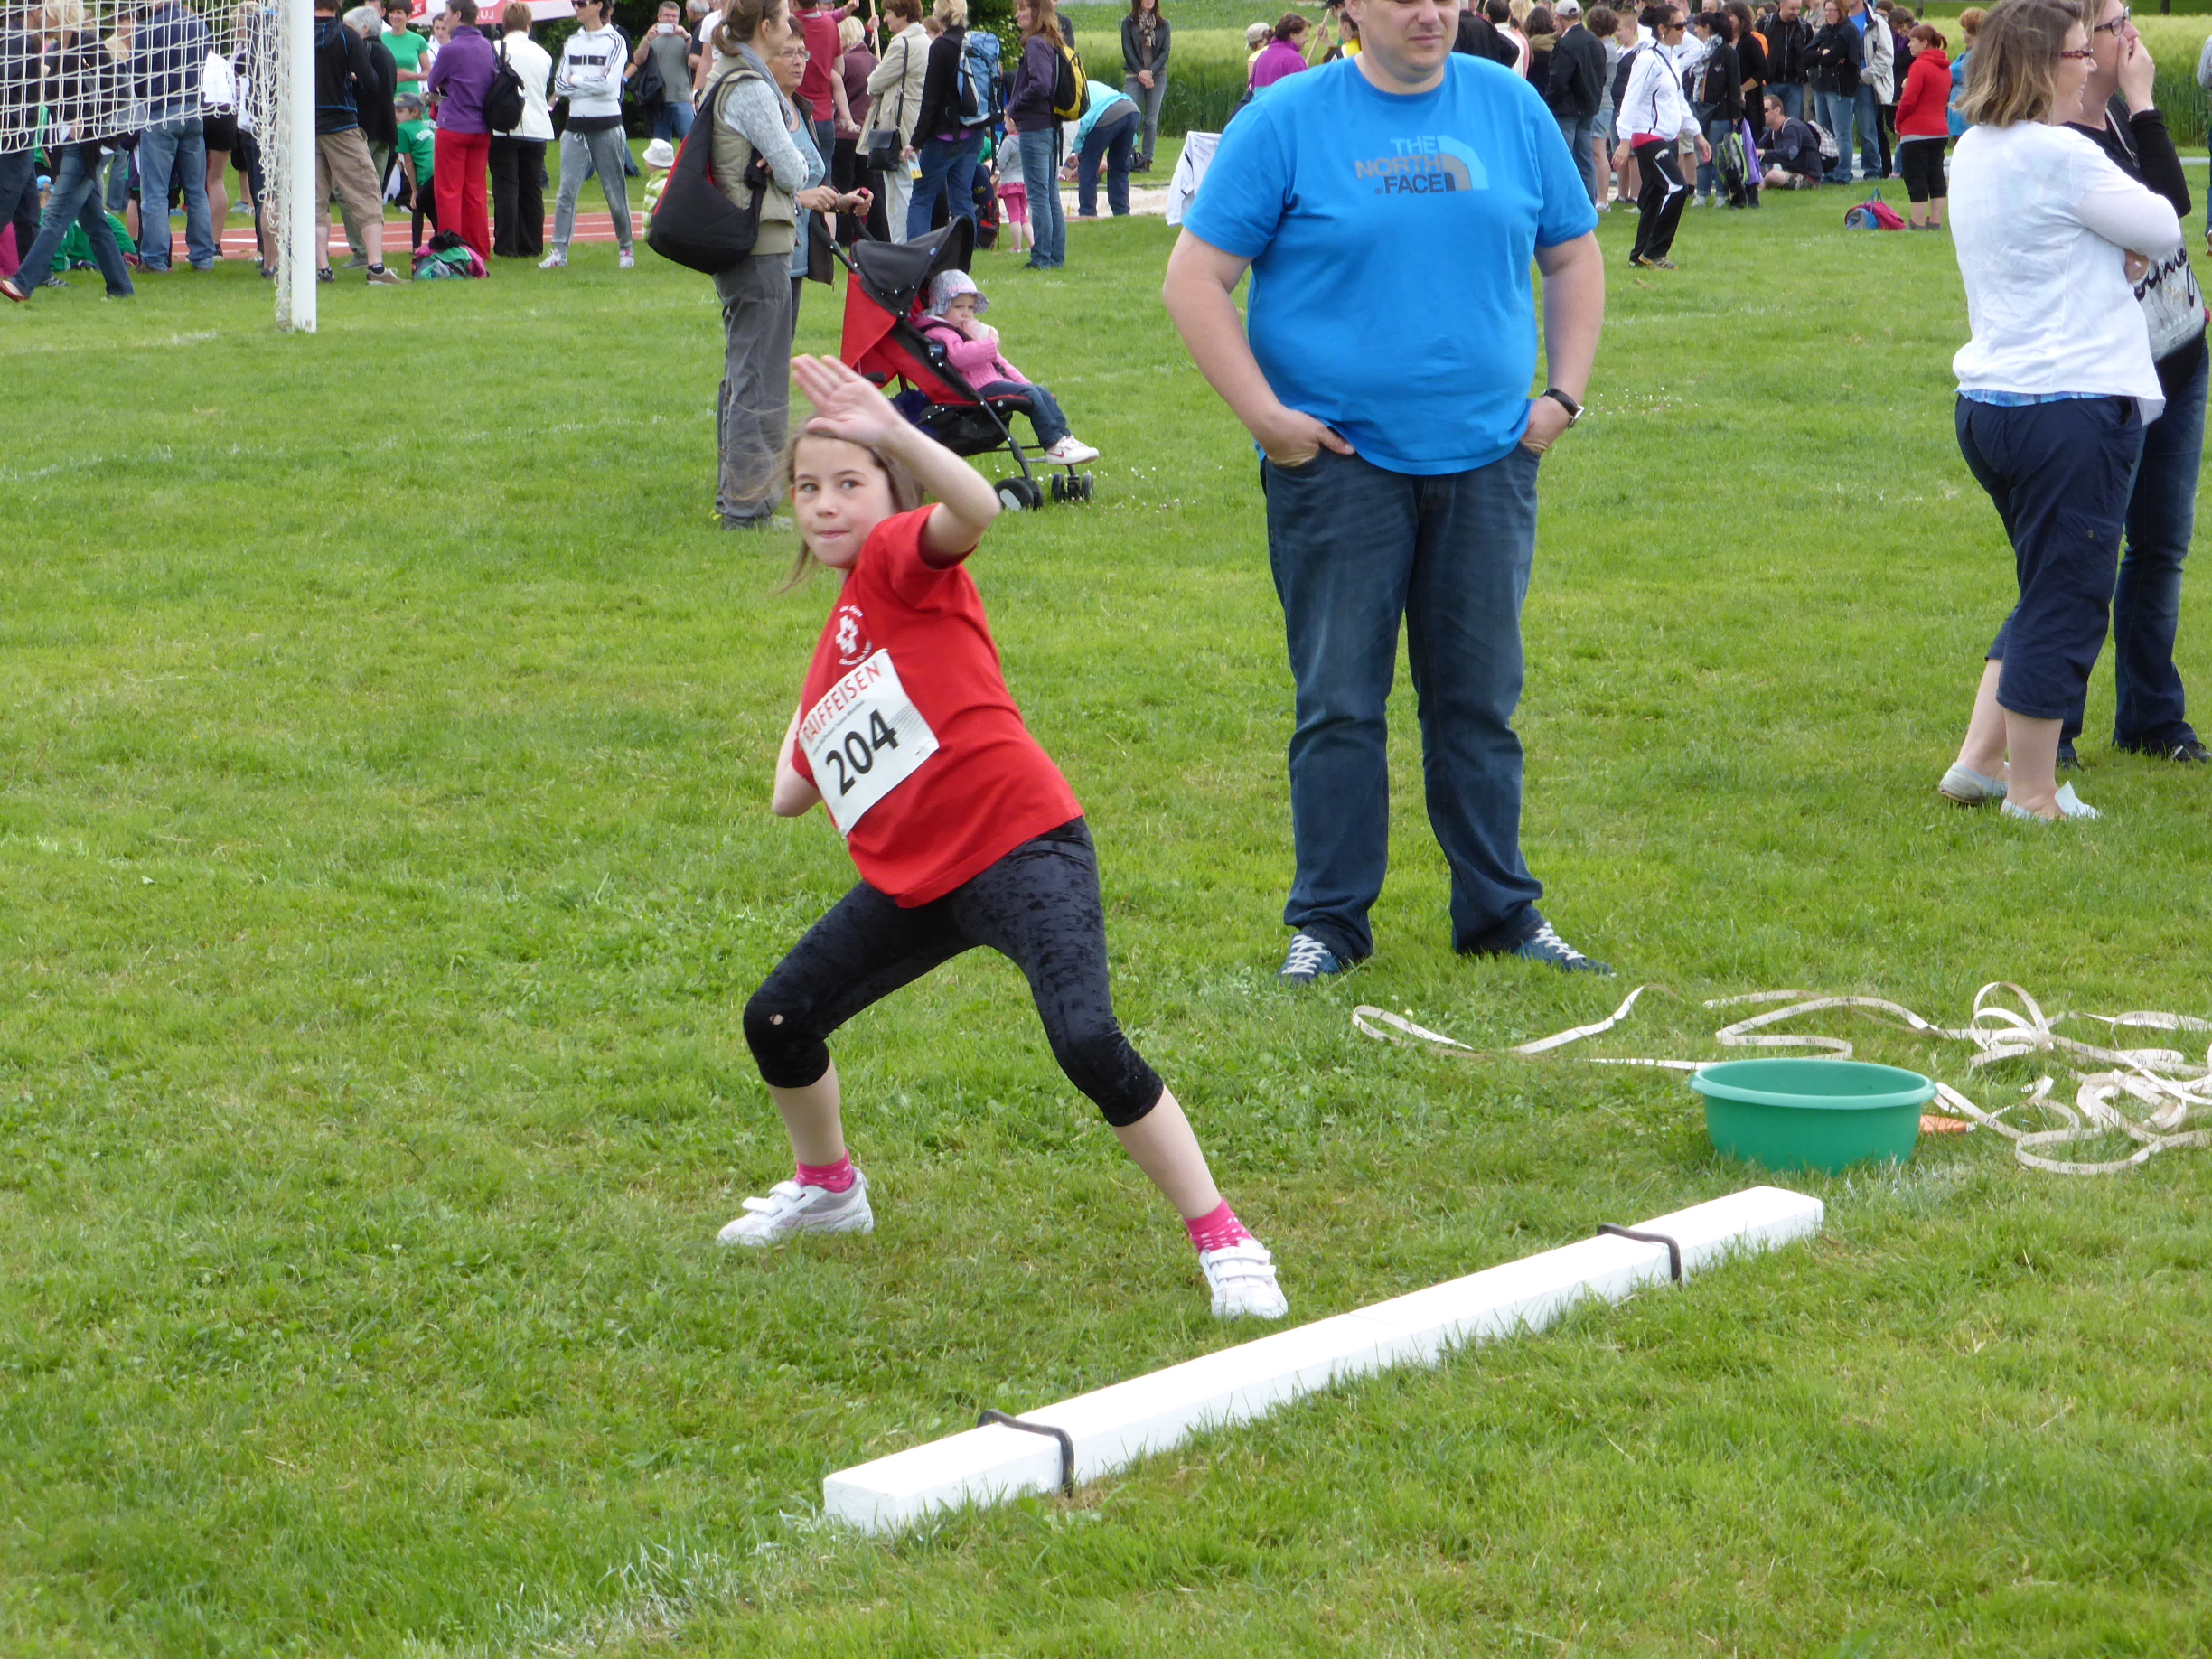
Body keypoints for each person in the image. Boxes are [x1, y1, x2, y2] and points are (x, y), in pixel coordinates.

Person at [729, 357, 1290, 1323]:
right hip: (918, 882)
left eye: (849, 483)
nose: (823, 506)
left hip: (1020, 845)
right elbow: (789, 795)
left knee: (1086, 1039)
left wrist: (895, 431)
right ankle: (829, 1190)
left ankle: (1225, 1237)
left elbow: (977, 507)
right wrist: (824, 690)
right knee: (779, 1019)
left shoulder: (899, 557)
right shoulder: (846, 627)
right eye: (807, 488)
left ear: (893, 493)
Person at [1165, 0, 1609, 983]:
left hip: (1487, 461)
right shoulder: (1285, 120)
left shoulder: (1508, 105)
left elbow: (1573, 251)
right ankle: (1329, 924)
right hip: (1338, 470)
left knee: (1479, 704)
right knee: (1338, 705)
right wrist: (1268, 420)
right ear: (1349, 11)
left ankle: (1501, 912)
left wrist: (1563, 398)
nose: (1428, 10)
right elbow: (1194, 280)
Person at [1939, 0, 2179, 823]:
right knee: (2068, 598)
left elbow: (2057, 241)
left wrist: (2106, 245)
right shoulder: (2062, 153)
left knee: (2046, 583)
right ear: (2043, 66)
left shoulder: (1974, 149)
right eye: (2079, 55)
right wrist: (2140, 110)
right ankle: (2033, 792)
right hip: (2068, 408)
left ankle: (1979, 761)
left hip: (1991, 405)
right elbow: (2163, 220)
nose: (2089, 68)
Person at [2053, 0, 2207, 765]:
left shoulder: (2116, 118)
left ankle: (2151, 717)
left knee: (2161, 546)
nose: (2133, 34)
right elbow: (2168, 209)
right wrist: (2146, 104)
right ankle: (2054, 729)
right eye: (2117, 24)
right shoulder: (2069, 136)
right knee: (2087, 549)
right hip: (2114, 371)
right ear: (2079, 40)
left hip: (2178, 351)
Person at [707, 0, 866, 530]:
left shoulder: (731, 73)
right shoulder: (751, 86)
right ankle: (748, 507)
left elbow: (793, 166)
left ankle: (739, 496)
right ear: (766, 27)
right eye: (783, 20)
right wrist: (783, 166)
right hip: (760, 244)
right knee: (761, 378)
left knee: (746, 373)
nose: (796, 42)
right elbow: (796, 170)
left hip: (749, 242)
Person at [2, 6, 132, 305]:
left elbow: (117, 94)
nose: (41, 17)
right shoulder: (54, 51)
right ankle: (121, 288)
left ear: (62, 14)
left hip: (89, 146)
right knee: (94, 221)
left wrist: (88, 117)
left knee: (56, 215)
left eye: (47, 12)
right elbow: (54, 102)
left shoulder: (89, 45)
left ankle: (23, 283)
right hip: (66, 146)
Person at [917, 269, 1099, 463]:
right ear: (941, 306)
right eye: (958, 307)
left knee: (1040, 392)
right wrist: (989, 344)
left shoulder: (962, 331)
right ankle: (1053, 443)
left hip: (991, 382)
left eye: (970, 308)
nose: (966, 314)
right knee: (1031, 395)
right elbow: (959, 357)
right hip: (974, 389)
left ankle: (1064, 438)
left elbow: (1001, 364)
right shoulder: (939, 333)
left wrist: (1023, 383)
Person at [307, 0, 402, 282]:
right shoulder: (347, 35)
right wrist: (350, 78)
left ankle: (322, 267)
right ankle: (375, 267)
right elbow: (371, 81)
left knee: (315, 199)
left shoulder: (299, 36)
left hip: (307, 124)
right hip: (342, 124)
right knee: (366, 191)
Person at [542, 0, 635, 271]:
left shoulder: (615, 41)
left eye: (581, 3)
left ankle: (626, 248)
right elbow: (560, 84)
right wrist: (584, 83)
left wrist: (578, 80)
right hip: (575, 125)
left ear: (598, 5)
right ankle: (559, 252)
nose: (576, 8)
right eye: (574, 3)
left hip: (607, 124)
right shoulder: (572, 42)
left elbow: (609, 85)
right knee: (566, 192)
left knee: (614, 191)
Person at [1615, 4, 1708, 266]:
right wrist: (1624, 141)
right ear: (1662, 29)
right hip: (1648, 137)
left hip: (1669, 137)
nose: (1684, 30)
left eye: (1685, 25)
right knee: (1677, 187)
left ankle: (1638, 255)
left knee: (1656, 195)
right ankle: (1655, 252)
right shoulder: (1647, 59)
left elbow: (1678, 101)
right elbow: (1631, 100)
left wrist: (1697, 134)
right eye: (1679, 26)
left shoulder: (1671, 59)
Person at [129, 0, 213, 274]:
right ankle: (203, 256)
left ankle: (155, 258)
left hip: (161, 110)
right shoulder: (199, 25)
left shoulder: (147, 29)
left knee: (155, 191)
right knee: (196, 190)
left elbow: (136, 76)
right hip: (193, 108)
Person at [904, 0, 980, 240]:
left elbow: (931, 100)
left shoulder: (940, 47)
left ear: (937, 16)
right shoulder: (975, 44)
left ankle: (917, 252)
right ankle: (965, 254)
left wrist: (915, 142)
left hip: (944, 137)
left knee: (921, 198)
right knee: (962, 197)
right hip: (974, 132)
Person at [426, 0, 495, 261]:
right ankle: (479, 248)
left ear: (457, 15)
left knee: (448, 191)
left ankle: (451, 248)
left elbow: (432, 83)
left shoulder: (450, 49)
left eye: (447, 14)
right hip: (481, 126)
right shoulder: (487, 46)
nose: (444, 19)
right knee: (475, 191)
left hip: (454, 124)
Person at [1006, 0, 1066, 268]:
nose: (1017, 15)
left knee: (1039, 195)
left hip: (1035, 127)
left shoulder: (1034, 44)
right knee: (1050, 193)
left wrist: (1013, 107)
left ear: (1036, 12)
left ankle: (1041, 257)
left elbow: (1040, 85)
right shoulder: (1052, 41)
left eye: (1022, 9)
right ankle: (1055, 256)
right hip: (1051, 126)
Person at [489, 1, 551, 258]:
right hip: (537, 124)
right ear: (528, 25)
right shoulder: (543, 54)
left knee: (506, 187)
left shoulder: (495, 49)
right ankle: (532, 244)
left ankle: (507, 244)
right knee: (532, 189)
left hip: (505, 125)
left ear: (504, 24)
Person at [860, 0, 926, 239]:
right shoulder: (926, 41)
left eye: (889, 13)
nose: (886, 19)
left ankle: (902, 247)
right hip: (917, 128)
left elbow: (874, 84)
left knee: (898, 198)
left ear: (903, 14)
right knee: (913, 189)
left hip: (898, 133)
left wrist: (878, 74)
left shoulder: (902, 44)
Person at [342, 5, 397, 268]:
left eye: (350, 28)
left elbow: (366, 88)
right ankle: (372, 250)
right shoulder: (387, 53)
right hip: (385, 129)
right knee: (373, 192)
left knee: (350, 191)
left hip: (365, 130)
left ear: (363, 29)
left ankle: (363, 250)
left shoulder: (365, 51)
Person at [1545, 0, 1606, 204]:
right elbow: (1602, 77)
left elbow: (1558, 80)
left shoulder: (1565, 44)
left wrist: (1549, 103)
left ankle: (1563, 204)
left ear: (1559, 18)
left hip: (1566, 111)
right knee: (1585, 161)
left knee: (1563, 160)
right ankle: (1588, 205)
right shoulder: (1595, 42)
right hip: (1588, 109)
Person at [1892, 21, 1947, 226]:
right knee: (1936, 176)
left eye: (1912, 41)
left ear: (1924, 43)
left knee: (1916, 177)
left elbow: (1909, 100)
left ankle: (1917, 222)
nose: (1909, 45)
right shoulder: (1944, 67)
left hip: (1917, 131)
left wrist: (1898, 121)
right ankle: (1935, 221)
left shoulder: (1919, 66)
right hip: (1940, 129)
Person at [1688, 10, 1740, 205]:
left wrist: (1735, 114)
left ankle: (1721, 194)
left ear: (1707, 27)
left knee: (1719, 155)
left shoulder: (1727, 52)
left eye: (1698, 27)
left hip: (1720, 112)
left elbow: (1733, 85)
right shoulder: (1702, 52)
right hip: (1699, 109)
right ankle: (1701, 193)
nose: (1695, 30)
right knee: (1702, 154)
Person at [629, 1, 698, 142]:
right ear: (659, 17)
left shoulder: (684, 39)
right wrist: (647, 40)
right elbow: (638, 60)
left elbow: (696, 61)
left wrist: (686, 37)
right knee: (661, 145)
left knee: (690, 141)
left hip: (682, 96)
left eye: (674, 16)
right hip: (658, 98)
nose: (670, 19)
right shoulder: (652, 38)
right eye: (667, 15)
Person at [1071, 77, 1138, 219]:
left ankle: (1087, 213)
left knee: (1088, 167)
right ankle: (1121, 212)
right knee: (1119, 167)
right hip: (1132, 111)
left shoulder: (1073, 92)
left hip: (1107, 115)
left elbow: (1079, 124)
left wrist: (1079, 153)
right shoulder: (1092, 85)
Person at [1807, 0, 1858, 182]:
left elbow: (1833, 57)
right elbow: (1806, 55)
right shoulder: (1825, 30)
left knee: (1841, 133)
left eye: (1832, 10)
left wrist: (1824, 56)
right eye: (1826, 10)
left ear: (1841, 11)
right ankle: (1828, 170)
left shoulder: (1848, 31)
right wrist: (1821, 54)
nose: (1828, 13)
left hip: (1839, 89)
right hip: (1821, 86)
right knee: (1824, 132)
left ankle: (1843, 173)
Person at [1120, 0, 1170, 173]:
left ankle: (1147, 160)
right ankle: (1129, 157)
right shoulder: (1128, 23)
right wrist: (1141, 72)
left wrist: (1151, 72)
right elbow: (1127, 50)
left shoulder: (1163, 24)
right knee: (1129, 117)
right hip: (1134, 75)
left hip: (1157, 76)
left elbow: (1165, 51)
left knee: (1151, 121)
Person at [1844, 0, 1890, 179]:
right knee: (1841, 131)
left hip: (1864, 83)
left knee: (1867, 129)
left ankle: (1872, 170)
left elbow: (1886, 56)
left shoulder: (1876, 22)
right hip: (1842, 83)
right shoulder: (1838, 18)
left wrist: (1866, 76)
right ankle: (1841, 170)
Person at [393, 89, 437, 246]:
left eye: (400, 111)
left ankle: (416, 246)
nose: (396, 115)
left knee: (417, 206)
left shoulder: (402, 129)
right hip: (439, 170)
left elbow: (409, 162)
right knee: (430, 207)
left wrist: (414, 190)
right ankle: (442, 238)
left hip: (427, 173)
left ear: (414, 112)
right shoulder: (422, 125)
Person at [1757, 87, 1820, 183]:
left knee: (1773, 176)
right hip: (1789, 173)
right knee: (1761, 173)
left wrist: (1762, 153)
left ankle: (1761, 185)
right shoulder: (1773, 131)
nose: (1762, 114)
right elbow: (1758, 148)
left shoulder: (1792, 127)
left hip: (1808, 177)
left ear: (1777, 110)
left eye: (1766, 110)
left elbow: (1789, 154)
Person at [1760, 0, 1808, 117]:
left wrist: (1802, 72)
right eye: (1792, 9)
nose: (1796, 12)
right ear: (1781, 5)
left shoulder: (1804, 27)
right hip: (1769, 82)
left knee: (1793, 121)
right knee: (1768, 120)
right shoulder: (1766, 24)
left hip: (1794, 83)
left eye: (1798, 9)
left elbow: (1809, 51)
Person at [1947, 6, 1982, 138]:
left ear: (1972, 31)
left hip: (1967, 117)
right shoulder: (1964, 54)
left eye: (1965, 29)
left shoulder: (1977, 54)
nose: (1963, 32)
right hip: (1959, 115)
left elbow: (1953, 72)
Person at [1249, 12, 1309, 87]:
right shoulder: (1294, 59)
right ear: (1292, 35)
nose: (1307, 39)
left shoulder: (1263, 56)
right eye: (1305, 35)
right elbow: (1303, 89)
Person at [382, 0, 425, 97]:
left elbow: (429, 73)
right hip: (386, 94)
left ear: (409, 16)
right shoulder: (381, 39)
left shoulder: (418, 40)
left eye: (399, 13)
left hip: (410, 95)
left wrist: (411, 76)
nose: (394, 16)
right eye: (392, 12)